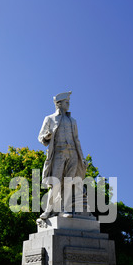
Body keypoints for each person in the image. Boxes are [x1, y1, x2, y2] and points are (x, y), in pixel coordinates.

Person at [38, 91, 87, 219]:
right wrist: (47, 136)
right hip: (58, 153)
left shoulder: (73, 121)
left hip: (73, 154)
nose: (68, 105)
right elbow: (41, 137)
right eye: (66, 102)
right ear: (59, 104)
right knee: (55, 183)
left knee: (68, 183)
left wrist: (82, 157)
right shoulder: (49, 118)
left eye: (69, 102)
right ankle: (49, 210)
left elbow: (77, 140)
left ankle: (65, 210)